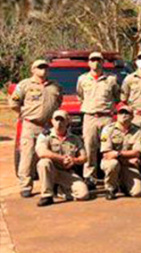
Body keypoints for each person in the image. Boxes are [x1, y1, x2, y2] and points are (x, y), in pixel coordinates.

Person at [9, 59, 62, 198]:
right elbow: (13, 102)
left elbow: (58, 102)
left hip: (48, 127)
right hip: (31, 125)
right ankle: (26, 186)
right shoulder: (25, 85)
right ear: (33, 70)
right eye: (39, 67)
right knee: (28, 156)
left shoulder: (55, 86)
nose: (43, 70)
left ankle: (52, 184)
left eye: (45, 67)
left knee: (50, 156)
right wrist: (24, 113)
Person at [77, 51, 120, 188]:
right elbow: (80, 96)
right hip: (90, 117)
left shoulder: (111, 79)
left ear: (102, 62)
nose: (95, 63)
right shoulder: (82, 79)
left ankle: (111, 177)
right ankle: (90, 177)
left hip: (106, 117)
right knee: (89, 147)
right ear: (89, 62)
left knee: (108, 147)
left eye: (98, 60)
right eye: (92, 60)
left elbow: (117, 97)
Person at [35, 110, 89, 207]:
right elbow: (41, 152)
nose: (59, 123)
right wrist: (61, 158)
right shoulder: (45, 136)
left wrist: (74, 160)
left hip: (66, 173)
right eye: (56, 120)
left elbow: (84, 157)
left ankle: (60, 191)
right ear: (52, 121)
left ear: (68, 121)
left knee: (83, 194)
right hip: (51, 171)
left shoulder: (75, 138)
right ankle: (47, 195)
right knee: (43, 162)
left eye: (62, 120)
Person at [99, 105, 141, 200]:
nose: (123, 115)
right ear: (117, 115)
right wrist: (127, 159)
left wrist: (117, 154)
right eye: (121, 113)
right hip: (113, 162)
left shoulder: (137, 131)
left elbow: (137, 152)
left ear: (132, 116)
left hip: (128, 166)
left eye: (126, 113)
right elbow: (107, 154)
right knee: (113, 164)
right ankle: (110, 189)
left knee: (137, 193)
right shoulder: (108, 129)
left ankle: (123, 185)